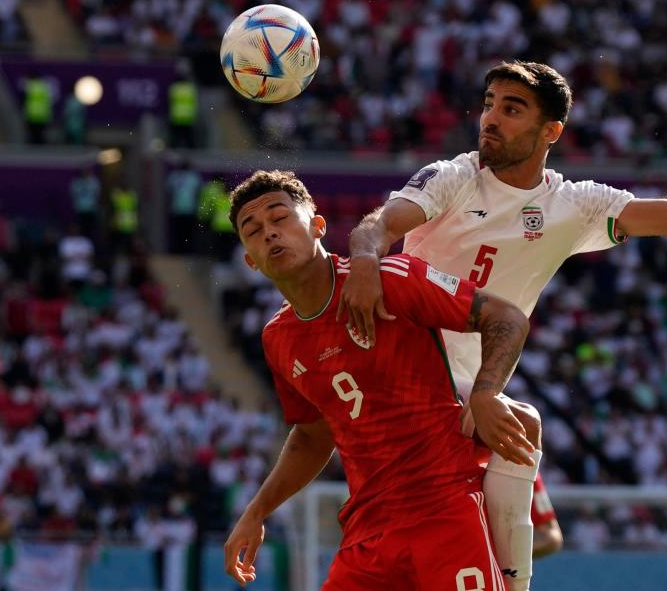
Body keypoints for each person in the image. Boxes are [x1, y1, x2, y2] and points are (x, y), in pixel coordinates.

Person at [340, 60, 667, 590]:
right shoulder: (453, 177)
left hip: (469, 394)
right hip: (404, 386)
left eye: (512, 109)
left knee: (517, 438)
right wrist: (365, 259)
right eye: (490, 104)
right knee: (504, 448)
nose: (490, 118)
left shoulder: (574, 203)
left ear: (551, 132)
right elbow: (380, 224)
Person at [222, 170, 536, 589]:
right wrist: (257, 510)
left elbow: (507, 317)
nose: (270, 234)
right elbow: (313, 436)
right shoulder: (277, 338)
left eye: (280, 218)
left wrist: (485, 393)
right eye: (254, 230)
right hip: (367, 540)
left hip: (444, 514)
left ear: (317, 226)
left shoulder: (390, 278)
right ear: (249, 259)